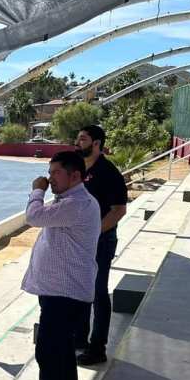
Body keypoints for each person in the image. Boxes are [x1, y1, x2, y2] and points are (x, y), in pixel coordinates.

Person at [14, 151, 100, 380]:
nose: (49, 179)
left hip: (64, 294)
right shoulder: (71, 202)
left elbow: (33, 216)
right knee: (62, 354)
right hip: (62, 292)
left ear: (74, 175)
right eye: (48, 174)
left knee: (49, 355)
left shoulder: (76, 204)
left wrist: (36, 189)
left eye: (55, 173)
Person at [75, 125, 128, 365]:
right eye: (78, 139)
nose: (78, 143)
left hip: (101, 241)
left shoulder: (108, 172)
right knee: (81, 288)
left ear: (96, 143)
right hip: (80, 242)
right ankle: (80, 338)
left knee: (98, 292)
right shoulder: (77, 167)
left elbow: (119, 210)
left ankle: (97, 348)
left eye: (83, 139)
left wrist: (94, 232)